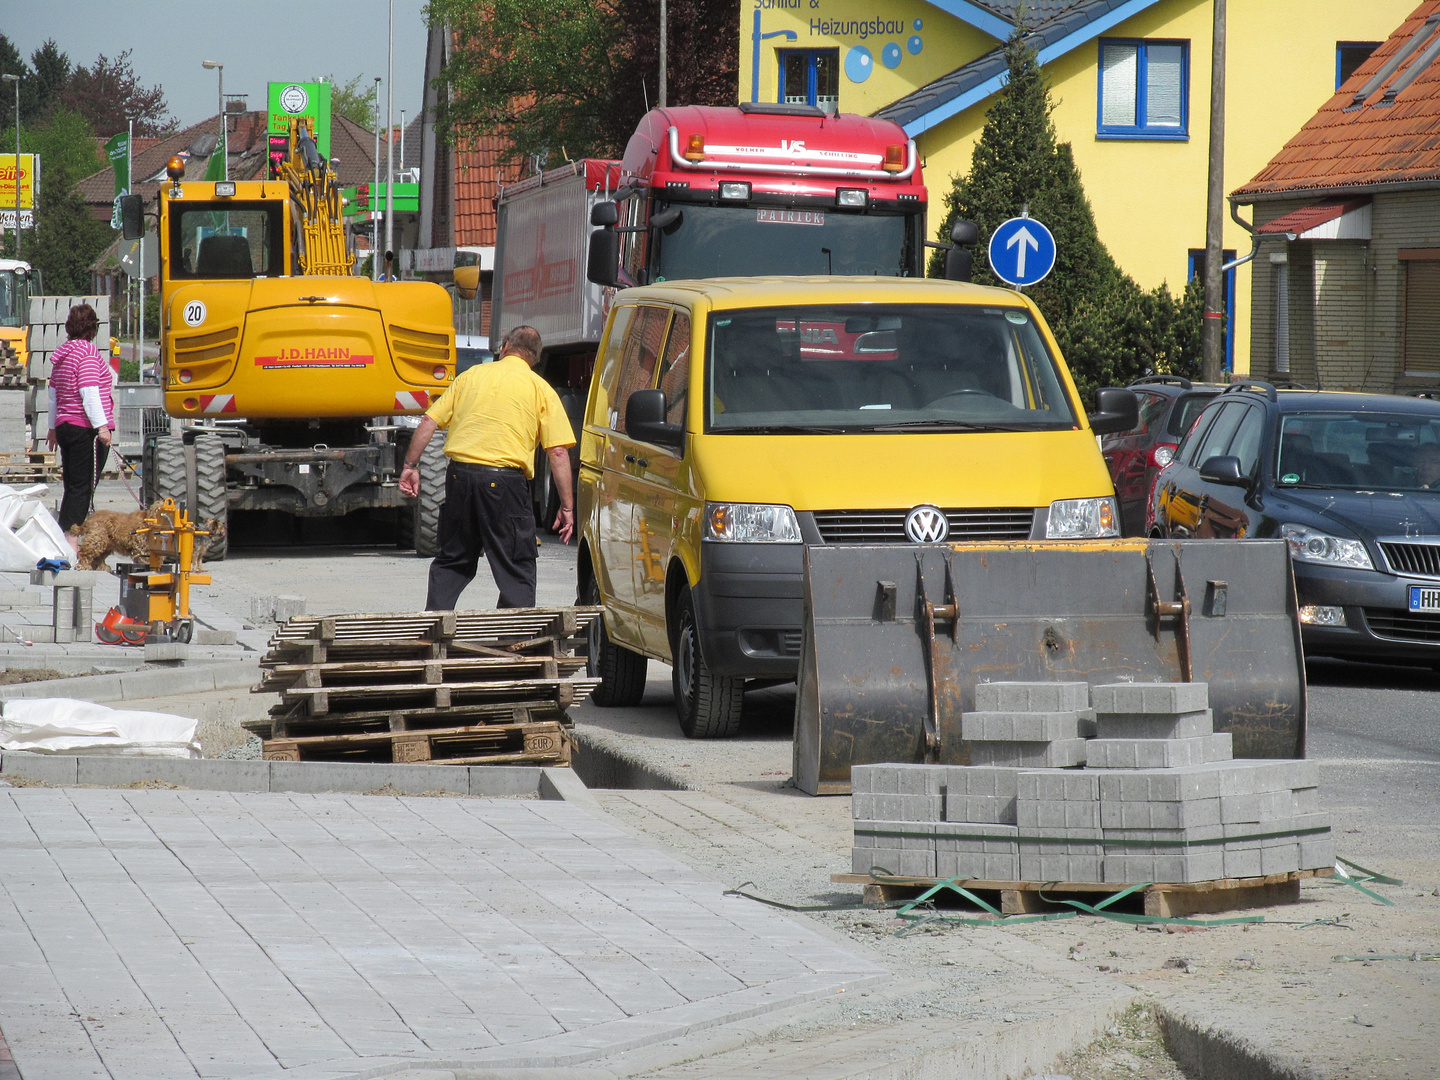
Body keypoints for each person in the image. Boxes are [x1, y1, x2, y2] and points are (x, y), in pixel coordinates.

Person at [398, 325, 576, 609]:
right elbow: (557, 451)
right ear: (535, 359)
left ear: (504, 346)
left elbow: (429, 421)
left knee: (453, 559)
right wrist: (566, 507)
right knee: (516, 564)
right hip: (505, 483)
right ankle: (514, 638)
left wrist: (410, 465)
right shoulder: (540, 388)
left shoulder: (470, 377)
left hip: (460, 476)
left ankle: (435, 628)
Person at [47, 303, 115, 555]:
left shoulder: (64, 354)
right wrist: (102, 427)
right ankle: (70, 543)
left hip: (65, 426)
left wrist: (52, 428)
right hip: (84, 428)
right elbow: (89, 393)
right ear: (93, 327)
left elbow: (53, 394)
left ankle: (66, 538)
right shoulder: (87, 353)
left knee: (73, 486)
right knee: (82, 488)